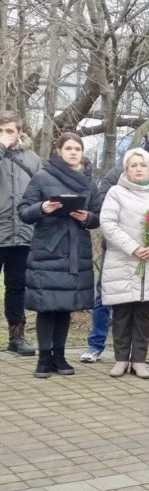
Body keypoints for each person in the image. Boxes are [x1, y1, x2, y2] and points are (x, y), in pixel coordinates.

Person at [19, 132, 100, 377]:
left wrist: (87, 218)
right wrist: (42, 207)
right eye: (69, 148)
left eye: (77, 148)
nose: (73, 152)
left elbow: (97, 216)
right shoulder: (43, 176)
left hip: (76, 250)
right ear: (59, 151)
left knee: (65, 305)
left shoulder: (89, 182)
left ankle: (60, 357)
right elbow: (23, 211)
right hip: (48, 249)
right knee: (47, 305)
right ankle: (44, 359)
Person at [82, 139, 149, 364]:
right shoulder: (116, 191)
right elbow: (107, 222)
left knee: (142, 315)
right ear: (126, 168)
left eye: (143, 165)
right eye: (133, 165)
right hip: (122, 258)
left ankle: (139, 361)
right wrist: (133, 247)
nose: (138, 169)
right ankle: (118, 359)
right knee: (120, 312)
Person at [0, 110, 40, 356]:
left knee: (16, 287)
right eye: (0, 131)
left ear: (19, 132)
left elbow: (40, 191)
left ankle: (17, 337)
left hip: (22, 233)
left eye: (8, 131)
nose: (4, 135)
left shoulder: (32, 159)